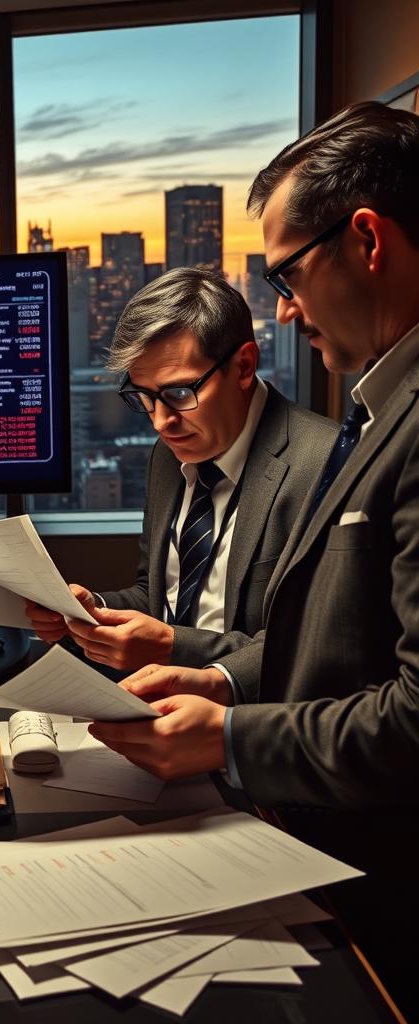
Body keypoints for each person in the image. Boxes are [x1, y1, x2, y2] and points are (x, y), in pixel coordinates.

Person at [87, 102, 419, 1014]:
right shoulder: (379, 405)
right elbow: (335, 639)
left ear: (367, 241)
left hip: (359, 861)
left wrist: (225, 723)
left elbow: (401, 707)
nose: (285, 306)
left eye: (290, 273)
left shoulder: (361, 434)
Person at [26, 267, 335, 673]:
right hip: (158, 710)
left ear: (243, 367)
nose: (160, 422)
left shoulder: (327, 466)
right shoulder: (168, 454)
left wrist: (173, 649)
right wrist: (92, 611)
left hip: (250, 725)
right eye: (144, 397)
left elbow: (314, 651)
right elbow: (157, 599)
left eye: (178, 393)